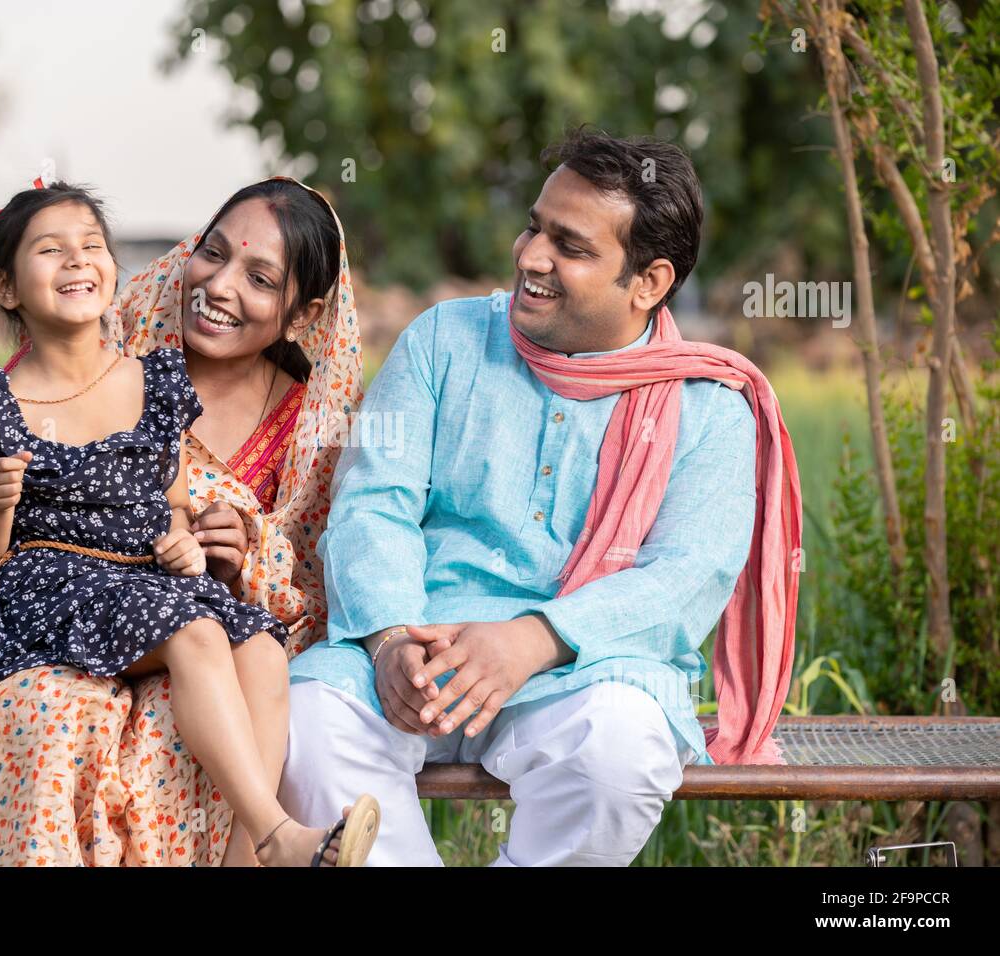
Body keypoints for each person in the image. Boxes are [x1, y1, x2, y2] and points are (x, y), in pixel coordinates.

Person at [278, 127, 802, 866]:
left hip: (582, 671)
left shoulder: (707, 406)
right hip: (415, 653)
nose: (530, 256)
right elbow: (372, 504)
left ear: (647, 283)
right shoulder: (444, 341)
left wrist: (534, 638)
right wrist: (391, 638)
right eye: (533, 226)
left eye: (572, 246)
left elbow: (688, 576)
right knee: (309, 722)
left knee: (619, 756)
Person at [0, 177, 371, 866]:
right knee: (181, 649)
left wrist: (231, 548)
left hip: (170, 597)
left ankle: (251, 856)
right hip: (79, 607)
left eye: (258, 276)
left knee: (258, 651)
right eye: (213, 253)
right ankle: (278, 837)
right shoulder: (118, 336)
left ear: (302, 311)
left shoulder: (303, 420)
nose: (221, 286)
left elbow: (302, 574)